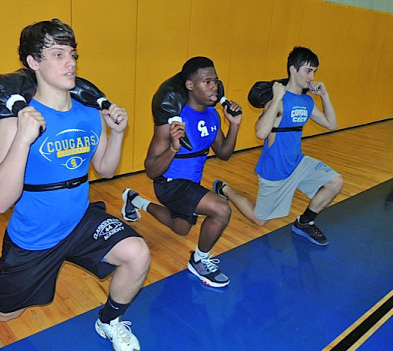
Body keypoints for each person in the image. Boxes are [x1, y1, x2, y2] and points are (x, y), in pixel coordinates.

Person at [0, 19, 150, 351]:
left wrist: (118, 133)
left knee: (137, 253)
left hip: (80, 221)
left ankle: (109, 321)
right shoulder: (11, 122)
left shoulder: (89, 114)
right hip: (36, 234)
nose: (71, 63)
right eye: (57, 54)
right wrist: (23, 137)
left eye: (73, 54)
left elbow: (105, 170)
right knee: (5, 311)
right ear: (33, 63)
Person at [122, 57, 242, 288]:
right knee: (220, 209)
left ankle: (135, 200)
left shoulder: (213, 115)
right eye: (207, 82)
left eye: (215, 81)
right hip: (169, 182)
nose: (214, 87)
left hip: (191, 184)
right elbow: (150, 168)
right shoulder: (173, 119)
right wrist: (173, 147)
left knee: (181, 228)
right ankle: (199, 261)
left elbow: (224, 153)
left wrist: (234, 125)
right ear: (190, 86)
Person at [213, 46, 343, 246]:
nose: (312, 76)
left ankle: (305, 222)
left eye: (314, 71)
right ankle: (225, 189)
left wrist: (324, 95)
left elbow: (331, 124)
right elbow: (261, 132)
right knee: (260, 220)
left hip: (298, 163)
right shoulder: (278, 102)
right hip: (275, 169)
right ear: (293, 70)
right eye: (308, 70)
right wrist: (276, 98)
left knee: (335, 182)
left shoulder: (306, 101)